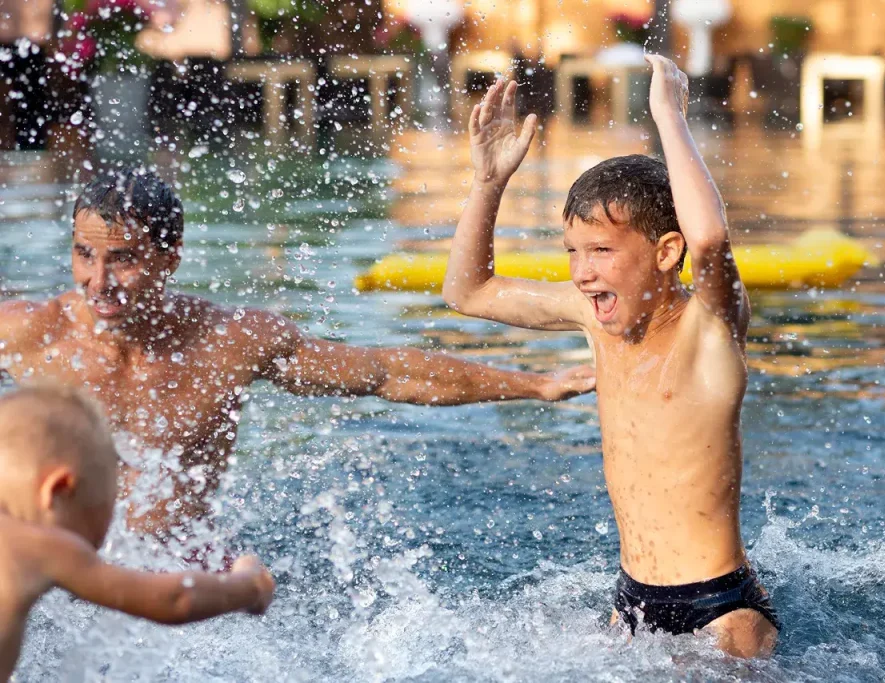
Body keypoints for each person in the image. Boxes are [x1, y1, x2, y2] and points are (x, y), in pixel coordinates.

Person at [0, 170, 595, 538]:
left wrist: (536, 385)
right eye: (84, 255)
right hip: (60, 570)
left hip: (182, 571)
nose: (98, 281)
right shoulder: (31, 334)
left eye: (123, 259)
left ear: (171, 255)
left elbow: (384, 374)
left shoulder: (227, 342)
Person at [441, 56, 779, 658]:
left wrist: (669, 115)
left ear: (666, 253)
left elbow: (709, 240)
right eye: (572, 251)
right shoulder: (592, 319)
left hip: (721, 610)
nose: (581, 272)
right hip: (630, 600)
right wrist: (488, 184)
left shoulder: (709, 330)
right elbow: (468, 292)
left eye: (600, 250)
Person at [0, 384, 275, 680]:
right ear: (59, 490)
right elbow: (177, 600)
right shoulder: (39, 546)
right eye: (105, 507)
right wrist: (249, 585)